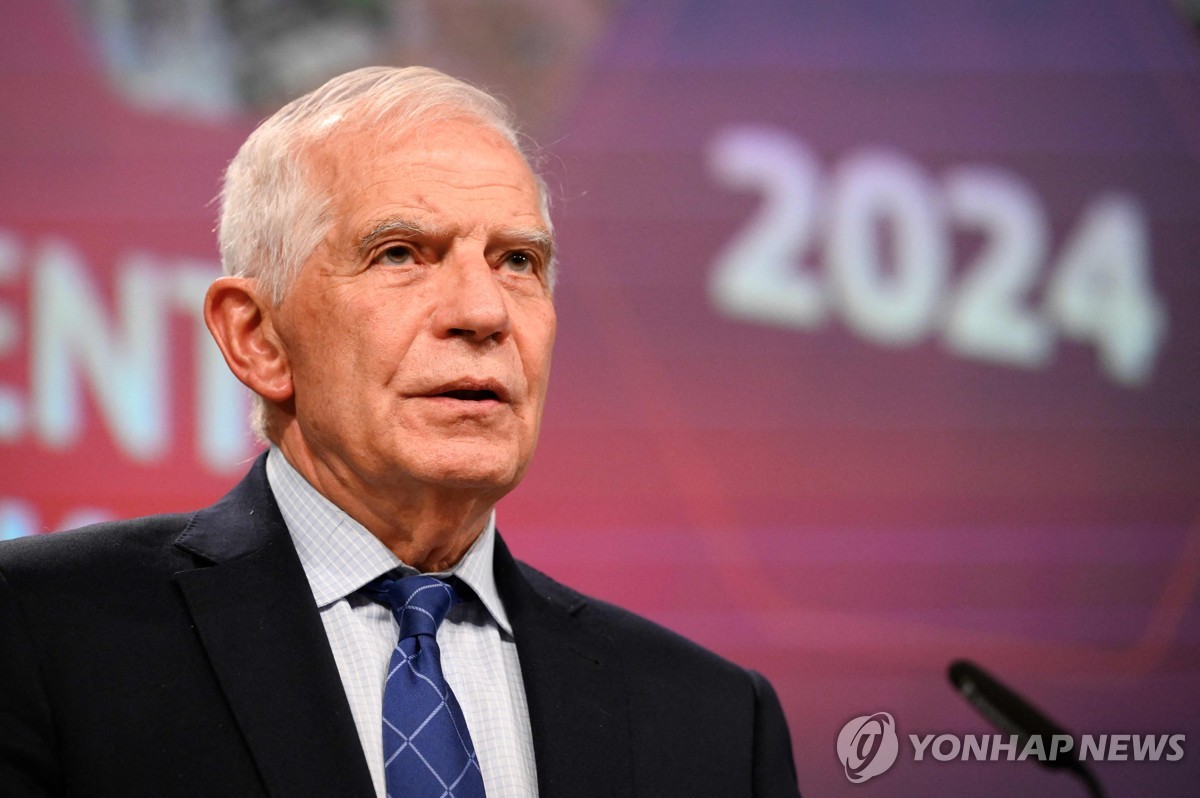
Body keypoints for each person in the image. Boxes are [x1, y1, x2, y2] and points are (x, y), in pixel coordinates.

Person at [0, 66, 801, 798]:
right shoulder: (42, 633)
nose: (484, 313)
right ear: (257, 338)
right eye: (400, 254)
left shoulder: (715, 722)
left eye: (518, 261)